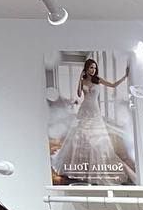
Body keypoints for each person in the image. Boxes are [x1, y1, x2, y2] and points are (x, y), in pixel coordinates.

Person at [52, 56, 132, 185]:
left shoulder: (98, 80)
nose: (93, 70)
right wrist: (79, 78)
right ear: (86, 69)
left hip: (94, 110)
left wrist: (125, 77)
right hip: (84, 110)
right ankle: (79, 167)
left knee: (97, 139)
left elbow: (113, 85)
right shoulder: (83, 81)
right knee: (79, 136)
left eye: (95, 68)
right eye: (91, 67)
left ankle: (95, 166)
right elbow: (79, 94)